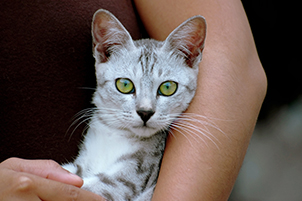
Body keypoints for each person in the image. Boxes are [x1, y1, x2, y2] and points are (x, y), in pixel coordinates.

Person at [0, 0, 267, 200]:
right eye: (126, 85)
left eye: (167, 88)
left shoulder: (159, 146)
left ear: (191, 58)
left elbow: (115, 193)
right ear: (103, 55)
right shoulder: (103, 123)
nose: (146, 108)